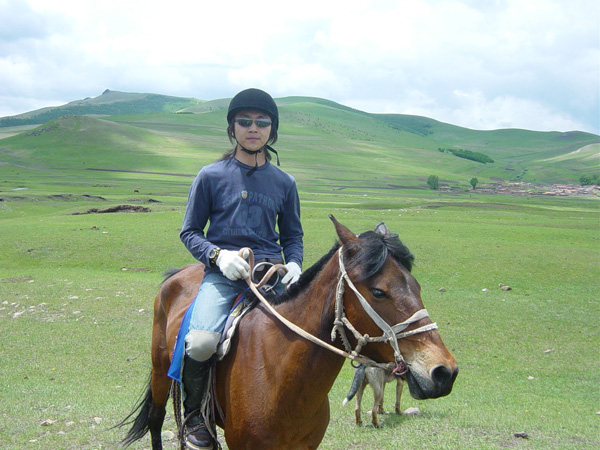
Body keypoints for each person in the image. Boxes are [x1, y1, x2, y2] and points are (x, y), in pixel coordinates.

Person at [177, 88, 304, 450]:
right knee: (201, 343)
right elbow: (189, 231)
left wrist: (294, 263)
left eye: (262, 122)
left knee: (305, 339)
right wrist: (218, 257)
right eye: (244, 121)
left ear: (272, 131)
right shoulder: (210, 176)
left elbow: (293, 234)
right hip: (224, 274)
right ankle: (195, 419)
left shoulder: (285, 183)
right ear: (232, 128)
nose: (253, 128)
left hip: (271, 276)